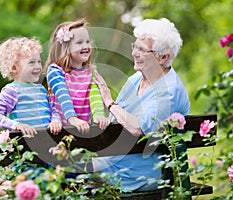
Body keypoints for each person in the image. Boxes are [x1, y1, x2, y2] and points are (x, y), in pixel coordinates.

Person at [93, 18, 190, 192]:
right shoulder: (135, 79)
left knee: (66, 170)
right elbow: (114, 119)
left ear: (163, 57)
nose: (135, 53)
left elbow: (140, 128)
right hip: (116, 162)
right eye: (135, 47)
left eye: (143, 50)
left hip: (141, 174)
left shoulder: (168, 90)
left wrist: (108, 101)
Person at [45, 18, 110, 134]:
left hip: (83, 129)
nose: (86, 46)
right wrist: (72, 118)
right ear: (65, 48)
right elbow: (62, 95)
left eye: (87, 41)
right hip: (59, 128)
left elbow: (94, 96)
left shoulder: (91, 71)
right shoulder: (55, 71)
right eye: (79, 43)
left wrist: (99, 115)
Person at [0, 36, 62, 136]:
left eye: (39, 62)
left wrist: (55, 121)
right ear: (14, 68)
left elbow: (54, 110)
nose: (38, 66)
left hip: (47, 142)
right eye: (31, 62)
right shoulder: (11, 90)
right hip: (24, 145)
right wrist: (17, 125)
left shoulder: (41, 90)